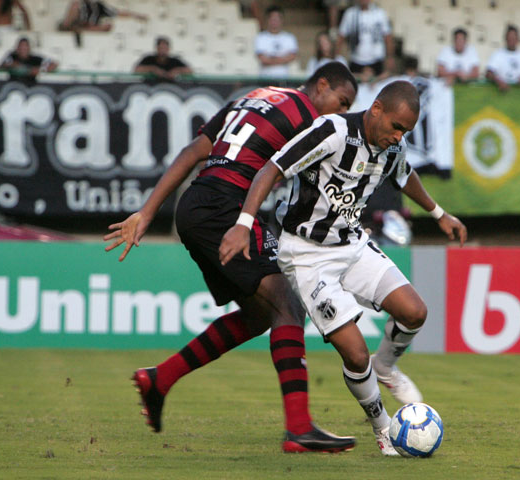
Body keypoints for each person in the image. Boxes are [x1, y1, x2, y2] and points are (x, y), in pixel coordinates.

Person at [104, 62, 358, 453]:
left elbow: (193, 152)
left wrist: (148, 211)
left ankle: (161, 379)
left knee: (261, 314)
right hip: (228, 209)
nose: (340, 115)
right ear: (321, 85)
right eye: (341, 103)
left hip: (194, 205)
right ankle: (299, 429)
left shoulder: (252, 98)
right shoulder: (310, 116)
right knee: (288, 305)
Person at [219, 80, 467, 455]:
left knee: (415, 312)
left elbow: (404, 174)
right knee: (353, 353)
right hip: (306, 254)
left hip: (351, 245)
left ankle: (385, 368)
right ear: (377, 109)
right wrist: (243, 222)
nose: (399, 137)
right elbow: (272, 167)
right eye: (396, 127)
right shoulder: (332, 131)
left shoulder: (390, 148)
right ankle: (384, 429)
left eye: (407, 132)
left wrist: (438, 213)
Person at [336, 0, 394, 80]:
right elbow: (341, 36)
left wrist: (390, 57)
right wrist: (337, 57)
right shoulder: (350, 14)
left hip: (376, 59)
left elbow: (387, 37)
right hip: (356, 59)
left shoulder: (380, 14)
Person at [486, 24, 520, 92]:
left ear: (518, 39)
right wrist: (498, 81)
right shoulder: (498, 55)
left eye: (513, 38)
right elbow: (488, 73)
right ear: (505, 38)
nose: (511, 41)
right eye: (509, 38)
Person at [254, 6, 298, 78]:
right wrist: (283, 59)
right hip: (265, 78)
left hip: (284, 78)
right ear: (267, 20)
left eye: (277, 19)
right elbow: (262, 58)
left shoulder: (289, 37)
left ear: (282, 20)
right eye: (272, 19)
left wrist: (271, 59)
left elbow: (292, 56)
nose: (274, 22)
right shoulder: (260, 37)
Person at [60, 0, 146, 32]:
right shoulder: (77, 4)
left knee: (107, 26)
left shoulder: (99, 6)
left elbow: (116, 13)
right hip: (77, 26)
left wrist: (136, 15)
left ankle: (83, 29)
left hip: (91, 28)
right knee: (74, 6)